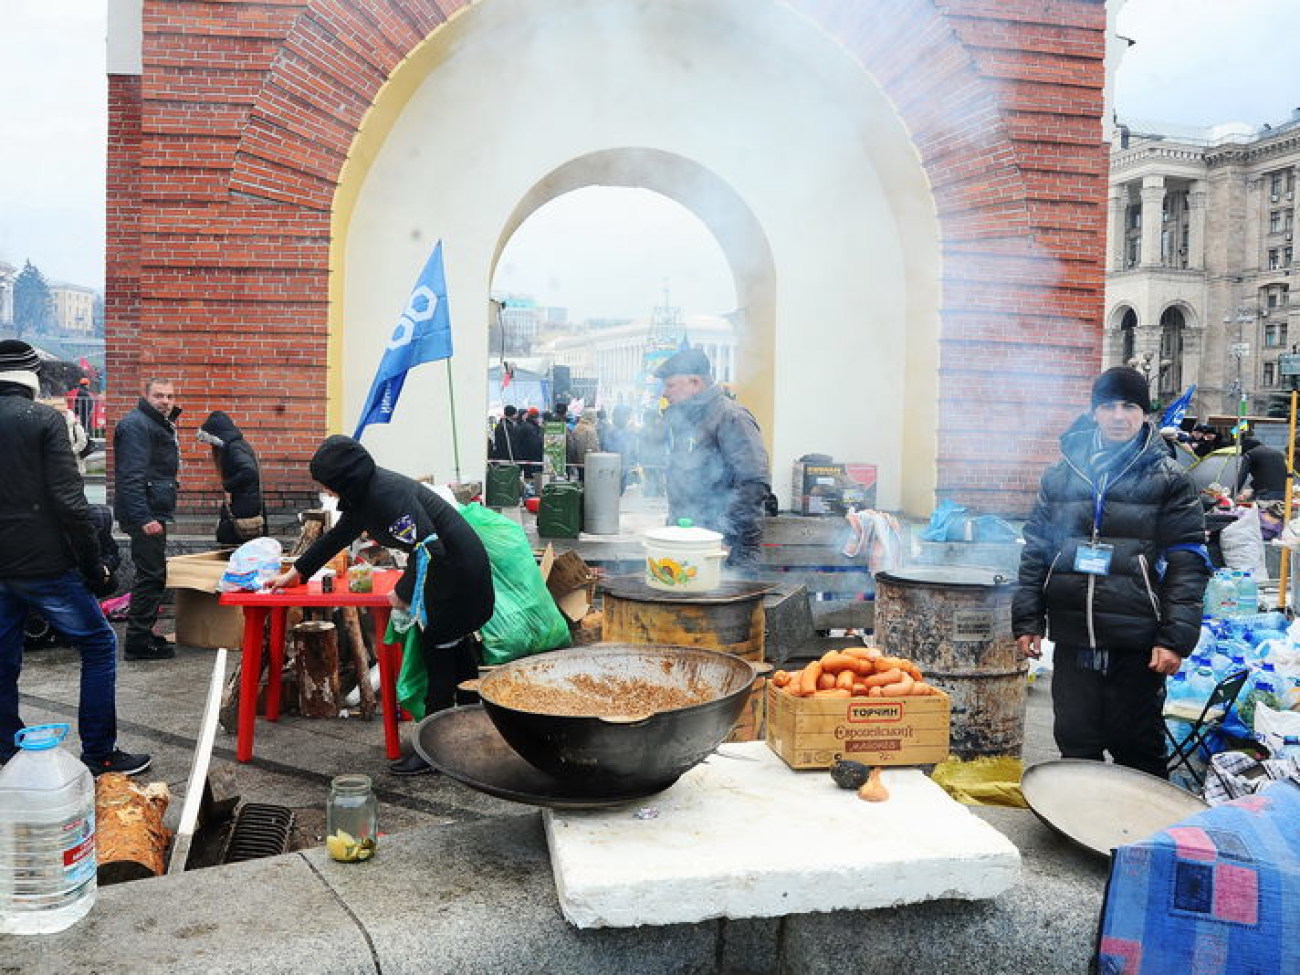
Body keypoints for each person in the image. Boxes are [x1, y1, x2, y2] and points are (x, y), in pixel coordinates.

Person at [1013, 366, 1210, 778]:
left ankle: (1139, 837)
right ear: (1095, 412)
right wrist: (1028, 618)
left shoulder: (1169, 478)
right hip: (1072, 635)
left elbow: (1187, 562)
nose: (1119, 415)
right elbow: (1037, 549)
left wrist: (1174, 638)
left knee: (1136, 746)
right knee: (1075, 741)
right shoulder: (1061, 473)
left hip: (1136, 640)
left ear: (1146, 414)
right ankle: (1081, 829)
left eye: (1130, 406)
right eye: (1109, 406)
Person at [266, 435, 494, 775]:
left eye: (328, 486)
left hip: (457, 578)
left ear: (345, 481)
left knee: (440, 660)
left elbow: (430, 550)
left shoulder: (387, 498)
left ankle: (435, 751)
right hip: (454, 572)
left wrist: (402, 592)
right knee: (455, 653)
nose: (327, 493)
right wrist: (298, 572)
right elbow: (339, 535)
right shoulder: (367, 492)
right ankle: (470, 734)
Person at [0, 340, 151, 776]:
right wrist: (95, 567)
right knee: (99, 645)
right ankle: (101, 753)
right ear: (31, 377)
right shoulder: (44, 420)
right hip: (43, 563)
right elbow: (70, 503)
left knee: (3, 659)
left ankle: (7, 754)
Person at [655, 348, 771, 567]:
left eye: (670, 385)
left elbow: (753, 483)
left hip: (725, 550)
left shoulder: (731, 417)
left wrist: (726, 537)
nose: (664, 393)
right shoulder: (687, 421)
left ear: (695, 382)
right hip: (692, 542)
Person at [113, 378, 181, 661]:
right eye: (159, 395)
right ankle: (138, 642)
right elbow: (131, 476)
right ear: (146, 396)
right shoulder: (137, 425)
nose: (165, 401)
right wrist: (144, 517)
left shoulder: (154, 423)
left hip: (152, 510)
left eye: (169, 396)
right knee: (151, 575)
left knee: (152, 574)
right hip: (146, 514)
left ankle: (144, 634)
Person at [197, 410, 265, 545]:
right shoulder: (238, 445)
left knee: (231, 545)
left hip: (242, 507)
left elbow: (249, 472)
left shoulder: (234, 448)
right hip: (247, 504)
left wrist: (228, 486)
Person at [1235, 434, 1288, 501]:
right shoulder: (1279, 454)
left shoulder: (1250, 454)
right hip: (1284, 494)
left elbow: (1242, 476)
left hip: (1266, 495)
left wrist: (1233, 494)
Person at [567, 409, 600, 481]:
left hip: (577, 461)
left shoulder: (577, 427)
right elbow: (593, 446)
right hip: (589, 461)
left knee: (581, 480)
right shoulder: (590, 429)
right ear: (591, 417)